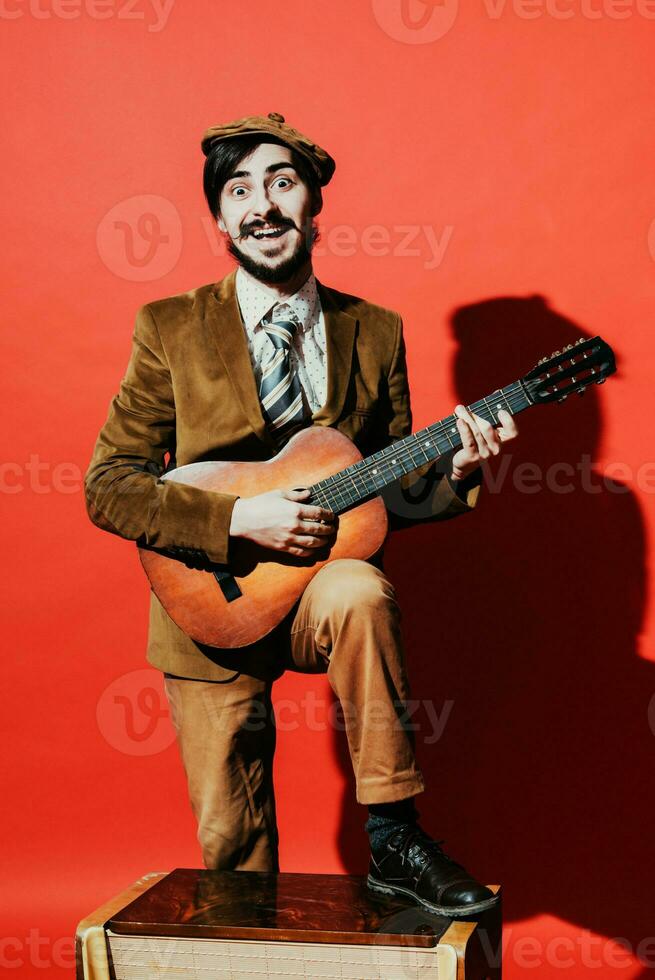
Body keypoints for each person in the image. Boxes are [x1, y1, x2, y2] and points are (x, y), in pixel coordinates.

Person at [84, 112, 518, 917]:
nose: (262, 205)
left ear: (313, 203)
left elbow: (382, 488)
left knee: (358, 586)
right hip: (206, 599)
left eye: (282, 183)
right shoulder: (170, 327)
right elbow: (109, 485)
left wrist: (451, 469)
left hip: (320, 594)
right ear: (220, 218)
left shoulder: (375, 331)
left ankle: (393, 833)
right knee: (235, 864)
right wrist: (235, 523)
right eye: (240, 190)